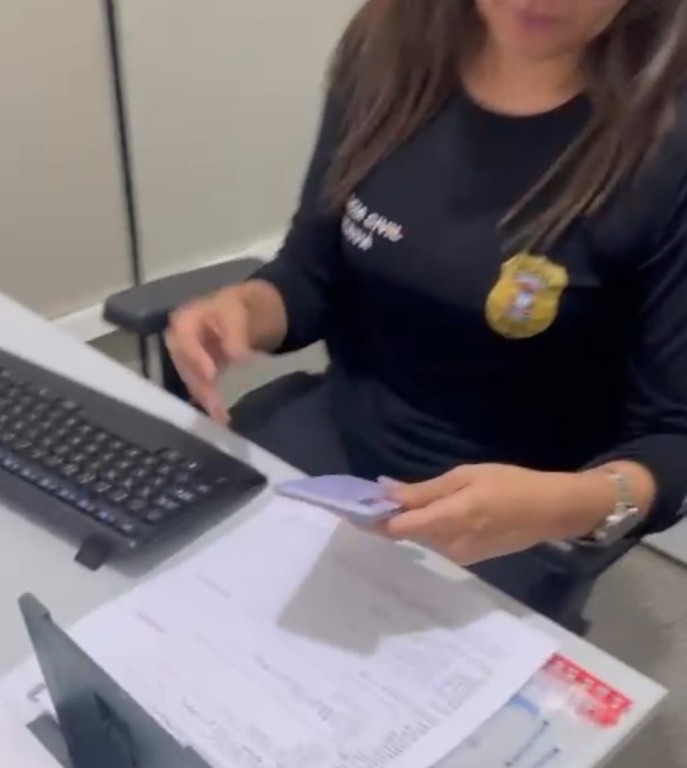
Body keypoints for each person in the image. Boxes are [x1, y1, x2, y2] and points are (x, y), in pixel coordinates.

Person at [166, 0, 687, 625]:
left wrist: (569, 503)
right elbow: (311, 271)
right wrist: (246, 309)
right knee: (171, 601)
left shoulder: (668, 143)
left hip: (514, 510)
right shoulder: (389, 52)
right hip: (338, 443)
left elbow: (674, 436)